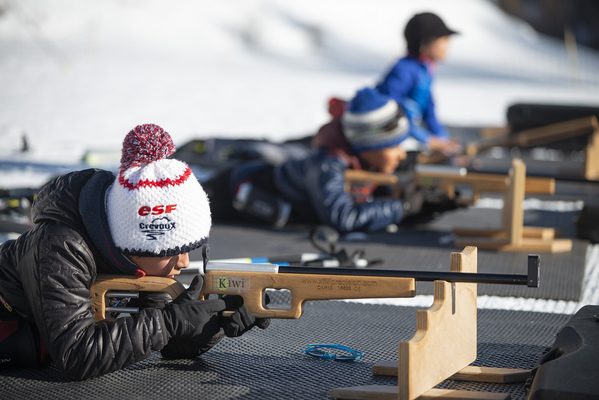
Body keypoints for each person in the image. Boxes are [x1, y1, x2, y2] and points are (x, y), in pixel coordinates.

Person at [0, 124, 268, 379]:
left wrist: (214, 322)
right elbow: (77, 355)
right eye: (172, 251)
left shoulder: (134, 257)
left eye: (188, 249)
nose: (184, 262)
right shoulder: (62, 247)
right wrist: (168, 322)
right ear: (136, 243)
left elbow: (166, 346)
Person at [206, 88, 424, 233]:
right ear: (369, 145)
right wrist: (402, 207)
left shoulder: (362, 158)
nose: (401, 154)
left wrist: (427, 206)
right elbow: (343, 217)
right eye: (394, 146)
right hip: (235, 190)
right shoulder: (328, 165)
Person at [376, 12, 461, 156]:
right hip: (390, 142)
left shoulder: (425, 71)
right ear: (426, 42)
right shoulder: (404, 70)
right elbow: (391, 114)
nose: (448, 46)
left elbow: (429, 112)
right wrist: (427, 140)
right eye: (444, 40)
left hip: (409, 135)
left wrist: (443, 140)